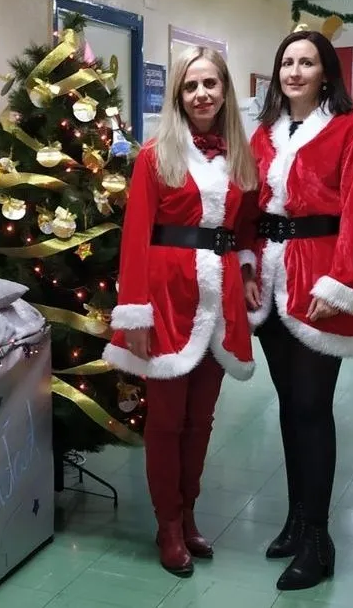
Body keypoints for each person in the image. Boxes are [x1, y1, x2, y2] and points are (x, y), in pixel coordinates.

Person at [102, 45, 257, 577]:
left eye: (211, 84)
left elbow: (244, 229)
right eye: (191, 86)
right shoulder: (154, 156)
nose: (202, 94)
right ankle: (167, 524)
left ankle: (188, 513)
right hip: (166, 301)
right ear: (178, 95)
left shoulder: (238, 156)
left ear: (225, 90)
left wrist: (250, 271)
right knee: (166, 422)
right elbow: (136, 238)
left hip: (219, 301)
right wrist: (135, 314)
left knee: (201, 421)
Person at [239, 29, 353, 591]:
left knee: (314, 406)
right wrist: (247, 266)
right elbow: (246, 207)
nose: (294, 71)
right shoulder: (264, 136)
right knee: (290, 406)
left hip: (319, 278)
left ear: (326, 73)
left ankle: (319, 541)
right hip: (269, 279)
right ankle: (297, 521)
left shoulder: (352, 131)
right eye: (287, 62)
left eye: (307, 62)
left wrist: (341, 282)